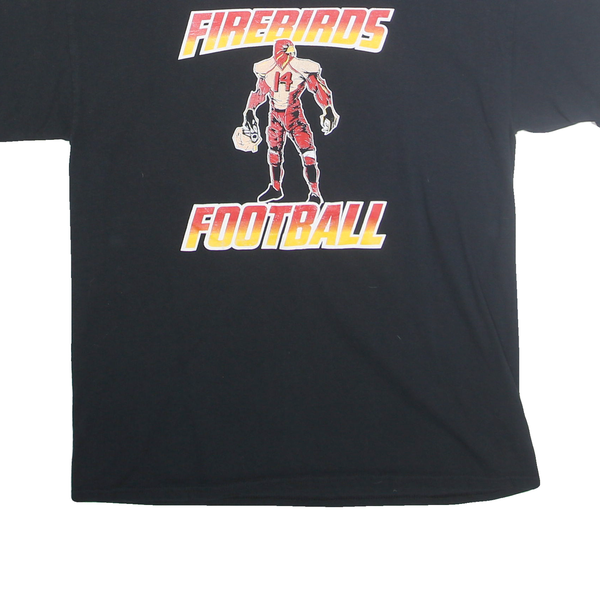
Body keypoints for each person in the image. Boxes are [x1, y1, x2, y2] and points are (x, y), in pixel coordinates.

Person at [238, 39, 339, 204]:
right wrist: (249, 110)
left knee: (308, 153)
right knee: (274, 151)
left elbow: (317, 87)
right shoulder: (269, 68)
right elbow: (260, 92)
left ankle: (315, 192)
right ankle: (276, 187)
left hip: (294, 115)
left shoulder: (297, 67)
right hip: (276, 115)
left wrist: (327, 108)